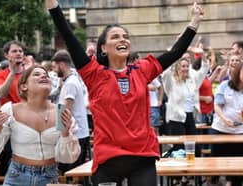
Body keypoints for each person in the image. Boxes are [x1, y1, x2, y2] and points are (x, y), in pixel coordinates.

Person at [46, 0, 203, 185]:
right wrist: (53, 6)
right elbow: (67, 34)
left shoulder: (142, 69)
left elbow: (175, 52)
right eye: (115, 37)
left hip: (142, 156)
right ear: (103, 48)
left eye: (125, 36)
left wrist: (194, 21)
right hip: (108, 159)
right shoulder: (93, 74)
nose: (122, 39)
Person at [0, 65, 80, 186]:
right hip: (17, 176)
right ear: (24, 86)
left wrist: (66, 134)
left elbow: (68, 158)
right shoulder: (10, 109)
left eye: (46, 75)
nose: (43, 76)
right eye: (37, 74)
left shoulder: (61, 112)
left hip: (49, 177)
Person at [210, 62, 243, 186]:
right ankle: (214, 182)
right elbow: (217, 106)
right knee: (215, 164)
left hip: (240, 131)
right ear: (238, 71)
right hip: (220, 129)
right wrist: (224, 119)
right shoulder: (224, 85)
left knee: (236, 164)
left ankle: (231, 183)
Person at [51, 50, 90, 173]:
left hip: (75, 134)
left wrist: (57, 133)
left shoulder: (70, 83)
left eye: (54, 67)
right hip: (76, 133)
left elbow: (65, 111)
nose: (53, 71)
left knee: (72, 174)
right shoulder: (69, 81)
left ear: (61, 64)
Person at [0, 40, 25, 176]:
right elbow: (1, 93)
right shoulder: (0, 75)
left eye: (20, 51)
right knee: (10, 169)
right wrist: (12, 73)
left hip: (28, 125)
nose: (18, 53)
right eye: (14, 51)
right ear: (7, 55)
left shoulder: (30, 73)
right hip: (9, 129)